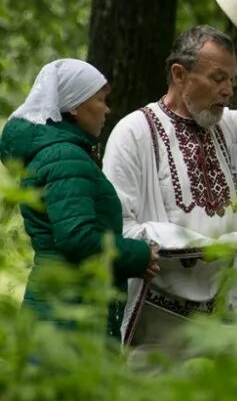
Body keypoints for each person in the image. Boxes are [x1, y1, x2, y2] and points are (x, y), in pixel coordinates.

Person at [102, 0, 237, 345]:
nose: (228, 90)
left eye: (232, 80)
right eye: (218, 78)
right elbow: (118, 229)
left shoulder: (230, 128)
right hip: (158, 322)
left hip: (225, 320)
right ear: (179, 75)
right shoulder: (134, 132)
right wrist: (202, 247)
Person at [0, 59, 158, 337]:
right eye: (100, 100)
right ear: (74, 106)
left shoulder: (60, 153)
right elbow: (77, 238)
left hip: (61, 306)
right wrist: (139, 255)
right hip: (66, 316)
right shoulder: (65, 157)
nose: (107, 110)